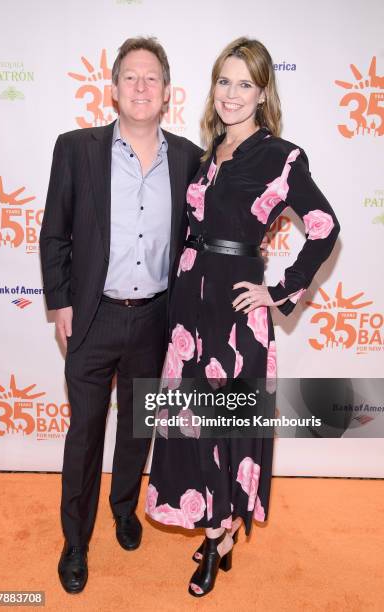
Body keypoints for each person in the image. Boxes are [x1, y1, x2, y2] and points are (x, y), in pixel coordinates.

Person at [146, 37, 340, 597]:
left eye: (244, 84)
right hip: (188, 314)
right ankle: (219, 533)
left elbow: (325, 227)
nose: (231, 94)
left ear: (262, 93)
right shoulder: (206, 157)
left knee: (221, 430)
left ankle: (215, 539)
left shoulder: (281, 156)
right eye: (223, 81)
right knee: (188, 425)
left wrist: (279, 292)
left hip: (234, 320)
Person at [39, 37, 202, 594]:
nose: (140, 86)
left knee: (137, 428)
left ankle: (125, 508)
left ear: (166, 92)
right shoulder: (76, 148)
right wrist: (60, 301)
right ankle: (75, 542)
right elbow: (54, 232)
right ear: (112, 88)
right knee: (84, 433)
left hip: (156, 319)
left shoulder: (188, 157)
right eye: (130, 77)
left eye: (151, 78)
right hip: (92, 317)